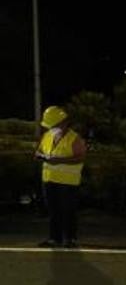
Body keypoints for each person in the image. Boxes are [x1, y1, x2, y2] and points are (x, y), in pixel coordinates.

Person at [34, 105, 87, 248]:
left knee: (68, 211)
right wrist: (42, 156)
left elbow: (80, 158)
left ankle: (70, 239)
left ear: (63, 123)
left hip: (68, 182)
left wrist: (59, 161)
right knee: (53, 211)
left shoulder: (74, 138)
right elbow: (38, 152)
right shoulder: (47, 136)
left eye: (53, 125)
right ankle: (54, 238)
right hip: (49, 179)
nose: (50, 128)